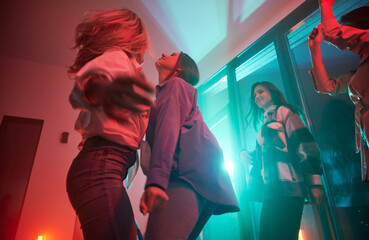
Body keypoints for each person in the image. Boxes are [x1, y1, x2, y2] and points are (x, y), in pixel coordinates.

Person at [66, 9, 154, 240]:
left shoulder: (117, 61)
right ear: (135, 39)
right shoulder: (118, 58)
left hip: (101, 166)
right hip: (101, 167)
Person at [139, 52, 239, 240]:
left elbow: (167, 130)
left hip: (187, 176)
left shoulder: (176, 84)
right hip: (202, 176)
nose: (163, 53)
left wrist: (156, 181)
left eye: (172, 54)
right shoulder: (162, 96)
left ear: (179, 68)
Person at [241, 82, 324, 240]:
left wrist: (315, 183)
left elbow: (305, 144)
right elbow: (263, 159)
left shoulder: (285, 112)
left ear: (272, 93)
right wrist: (243, 154)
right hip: (270, 192)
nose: (257, 96)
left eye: (260, 92)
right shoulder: (262, 127)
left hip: (289, 189)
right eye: (254, 95)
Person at [308, 0, 369, 182]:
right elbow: (327, 87)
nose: (347, 44)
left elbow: (335, 34)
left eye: (351, 30)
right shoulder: (361, 72)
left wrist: (325, 5)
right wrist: (314, 49)